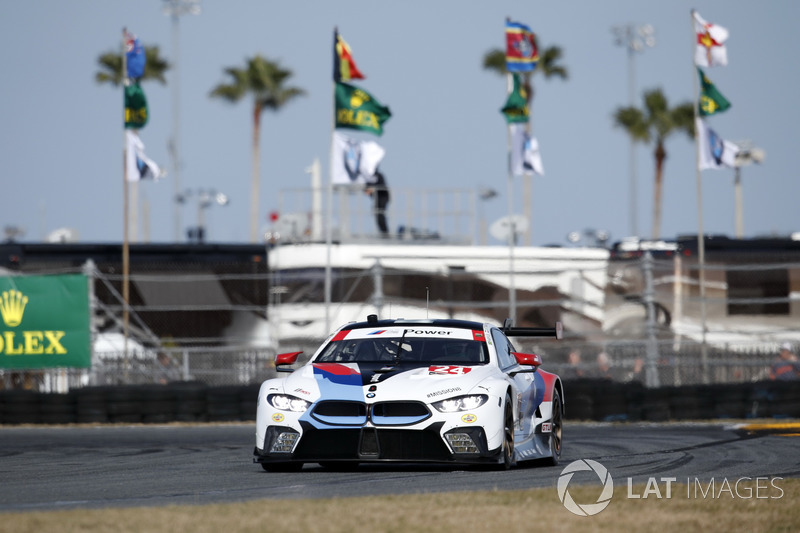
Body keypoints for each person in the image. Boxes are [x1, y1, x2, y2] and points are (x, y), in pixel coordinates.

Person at [365, 170, 390, 237]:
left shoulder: (378, 176)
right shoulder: (368, 177)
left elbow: (380, 186)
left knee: (380, 214)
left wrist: (372, 189)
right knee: (377, 215)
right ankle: (384, 233)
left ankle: (385, 233)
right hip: (377, 198)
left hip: (382, 197)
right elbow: (367, 189)